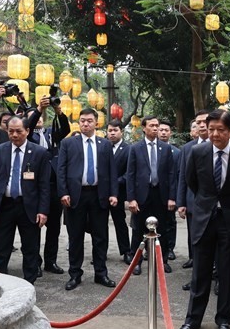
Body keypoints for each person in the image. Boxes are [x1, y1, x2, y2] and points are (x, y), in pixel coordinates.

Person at [176, 110, 230, 329]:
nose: (215, 134)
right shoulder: (197, 152)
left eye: (220, 130)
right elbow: (192, 182)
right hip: (204, 218)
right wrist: (207, 202)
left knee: (228, 273)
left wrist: (227, 204)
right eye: (211, 130)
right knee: (200, 272)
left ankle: (223, 320)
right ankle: (193, 319)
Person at [0, 116, 50, 284]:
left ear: (27, 131)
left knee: (30, 247)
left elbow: (44, 185)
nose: (14, 135)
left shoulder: (39, 153)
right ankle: (0, 283)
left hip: (28, 207)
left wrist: (43, 211)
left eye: (18, 131)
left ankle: (29, 282)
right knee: (0, 248)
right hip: (3, 206)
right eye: (10, 131)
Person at [58, 108, 118, 290]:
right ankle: (75, 274)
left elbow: (112, 171)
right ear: (78, 122)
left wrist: (113, 194)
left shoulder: (105, 144)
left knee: (100, 236)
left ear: (96, 123)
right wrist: (63, 192)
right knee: (75, 237)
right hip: (75, 195)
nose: (85, 123)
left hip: (99, 195)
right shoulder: (68, 144)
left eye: (89, 121)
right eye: (82, 120)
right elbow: (61, 170)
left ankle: (101, 273)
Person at [27, 96, 71, 276]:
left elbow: (66, 129)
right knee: (34, 227)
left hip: (53, 187)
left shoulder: (51, 132)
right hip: (35, 187)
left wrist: (57, 110)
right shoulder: (27, 136)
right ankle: (34, 262)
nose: (38, 119)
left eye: (40, 116)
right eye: (35, 117)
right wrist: (37, 109)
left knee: (54, 228)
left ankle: (50, 261)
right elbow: (27, 127)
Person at [127, 116, 176, 275]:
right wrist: (131, 199)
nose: (155, 128)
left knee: (163, 229)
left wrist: (172, 197)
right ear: (144, 128)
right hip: (142, 195)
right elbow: (131, 175)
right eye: (152, 126)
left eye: (157, 125)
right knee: (138, 230)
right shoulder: (135, 148)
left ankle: (163, 261)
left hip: (161, 194)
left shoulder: (166, 148)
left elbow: (171, 174)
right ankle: (137, 262)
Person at [177, 110, 210, 287]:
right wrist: (181, 203)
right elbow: (183, 176)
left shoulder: (219, 144)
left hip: (215, 205)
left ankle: (218, 277)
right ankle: (197, 279)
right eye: (198, 122)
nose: (202, 125)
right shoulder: (187, 148)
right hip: (193, 204)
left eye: (205, 121)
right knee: (195, 242)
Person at [107, 119, 132, 265]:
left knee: (119, 223)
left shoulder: (128, 149)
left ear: (121, 131)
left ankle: (126, 251)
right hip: (102, 192)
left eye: (115, 130)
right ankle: (100, 252)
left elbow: (129, 173)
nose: (112, 133)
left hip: (119, 192)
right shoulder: (102, 147)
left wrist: (114, 183)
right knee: (99, 224)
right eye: (110, 130)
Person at [158, 120, 180, 261]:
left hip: (170, 192)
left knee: (170, 222)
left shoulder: (177, 152)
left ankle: (170, 248)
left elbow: (178, 175)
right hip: (154, 193)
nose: (164, 132)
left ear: (170, 133)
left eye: (166, 130)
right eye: (161, 130)